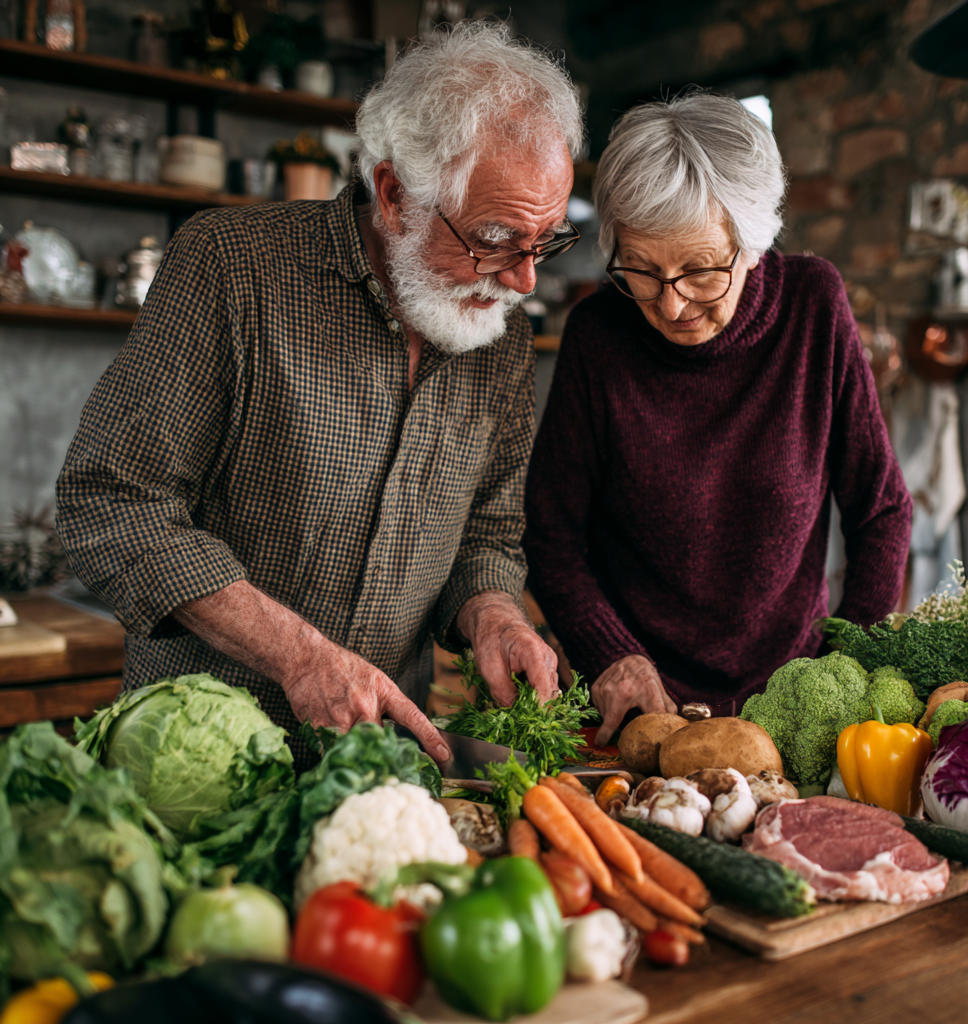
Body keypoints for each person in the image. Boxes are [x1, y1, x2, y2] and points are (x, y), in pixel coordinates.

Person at [55, 22, 586, 769]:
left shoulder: (499, 339)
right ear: (395, 195)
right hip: (201, 759)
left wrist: (493, 615)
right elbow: (110, 501)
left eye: (546, 241)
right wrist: (299, 656)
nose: (524, 280)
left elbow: (486, 536)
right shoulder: (231, 268)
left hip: (376, 766)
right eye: (495, 237)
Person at [524, 91, 912, 746]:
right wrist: (612, 656)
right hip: (638, 713)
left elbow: (882, 511)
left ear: (753, 243)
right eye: (641, 271)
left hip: (793, 706)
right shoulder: (598, 333)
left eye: (700, 270)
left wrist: (842, 671)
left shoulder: (813, 306)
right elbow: (551, 535)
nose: (672, 304)